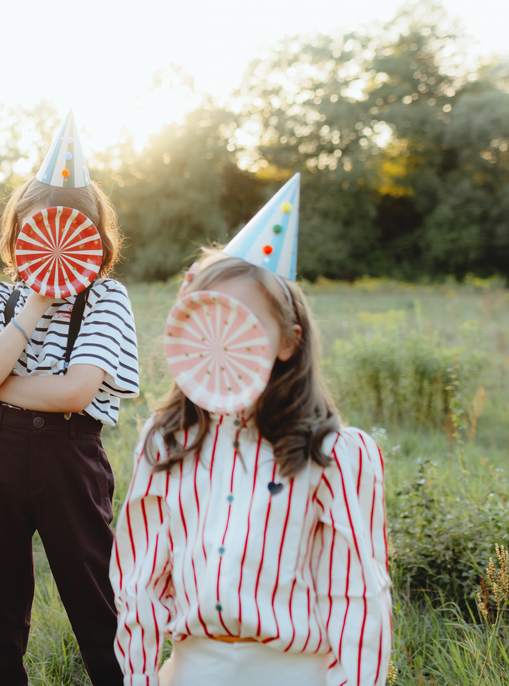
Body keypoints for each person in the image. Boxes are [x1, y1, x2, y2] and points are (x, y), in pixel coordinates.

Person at [110, 175, 392, 686]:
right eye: (209, 322)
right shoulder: (165, 442)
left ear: (288, 341)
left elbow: (355, 597)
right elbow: (139, 583)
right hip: (193, 671)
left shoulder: (333, 452)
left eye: (243, 325)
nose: (223, 342)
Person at [0, 112, 140, 685]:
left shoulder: (106, 297)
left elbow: (75, 391)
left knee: (94, 597)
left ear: (91, 238)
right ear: (17, 236)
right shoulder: (2, 298)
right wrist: (34, 303)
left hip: (71, 454)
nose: (47, 244)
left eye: (65, 231)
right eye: (33, 232)